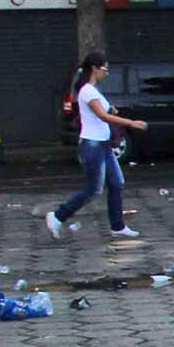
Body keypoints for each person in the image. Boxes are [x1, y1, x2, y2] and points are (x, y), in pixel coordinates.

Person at [47, 51, 148, 241]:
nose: (106, 73)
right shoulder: (87, 91)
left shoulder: (93, 91)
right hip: (92, 145)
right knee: (93, 189)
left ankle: (118, 226)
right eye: (105, 69)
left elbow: (104, 110)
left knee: (116, 182)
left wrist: (112, 109)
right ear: (94, 68)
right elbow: (102, 115)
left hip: (103, 144)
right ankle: (57, 216)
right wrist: (130, 122)